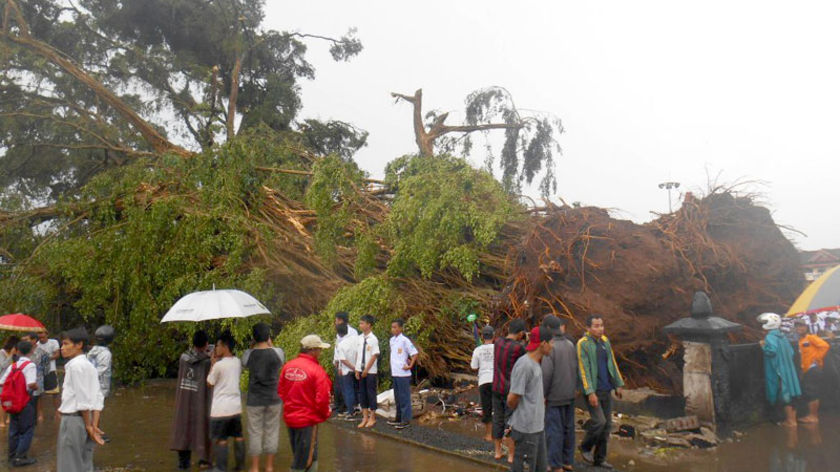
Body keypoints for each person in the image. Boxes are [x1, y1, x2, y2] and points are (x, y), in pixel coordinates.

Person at [277, 335, 332, 472]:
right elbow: (323, 398)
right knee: (301, 462)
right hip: (307, 421)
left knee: (306, 455)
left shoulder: (288, 366)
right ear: (313, 350)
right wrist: (323, 415)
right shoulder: (317, 371)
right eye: (319, 349)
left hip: (290, 418)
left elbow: (281, 391)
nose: (320, 352)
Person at [577, 314, 624, 469]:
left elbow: (612, 363)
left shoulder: (605, 341)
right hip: (593, 391)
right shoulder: (583, 344)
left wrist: (618, 384)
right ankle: (585, 446)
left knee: (607, 425)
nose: (600, 328)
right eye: (596, 326)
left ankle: (600, 458)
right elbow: (583, 369)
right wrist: (590, 392)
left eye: (601, 325)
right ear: (588, 328)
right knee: (599, 421)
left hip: (606, 389)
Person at [56, 327, 106, 471]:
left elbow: (82, 400)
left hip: (73, 420)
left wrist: (89, 425)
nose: (62, 348)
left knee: (69, 465)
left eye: (66, 344)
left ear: (79, 345)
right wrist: (93, 424)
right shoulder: (89, 366)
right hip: (85, 419)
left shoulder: (75, 366)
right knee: (84, 463)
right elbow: (97, 397)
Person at [507, 326, 553, 472]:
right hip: (526, 428)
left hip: (537, 427)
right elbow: (512, 398)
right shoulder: (525, 365)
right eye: (551, 342)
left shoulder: (536, 364)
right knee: (524, 468)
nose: (552, 346)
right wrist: (522, 414)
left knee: (540, 467)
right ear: (543, 343)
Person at [241, 322, 285, 472]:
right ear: (268, 336)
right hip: (273, 399)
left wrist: (252, 345)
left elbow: (244, 363)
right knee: (272, 431)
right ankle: (269, 467)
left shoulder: (248, 354)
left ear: (253, 337)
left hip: (254, 400)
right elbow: (280, 359)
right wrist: (270, 344)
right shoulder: (277, 353)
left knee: (255, 432)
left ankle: (254, 467)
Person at [170, 330, 213, 470]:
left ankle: (183, 463)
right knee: (202, 427)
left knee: (183, 427)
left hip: (185, 398)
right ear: (206, 344)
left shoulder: (183, 358)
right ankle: (204, 459)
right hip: (200, 399)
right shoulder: (207, 362)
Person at [541, 316, 577, 472]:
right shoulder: (570, 345)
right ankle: (567, 461)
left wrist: (543, 394)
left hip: (554, 395)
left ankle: (555, 465)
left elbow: (546, 373)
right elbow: (575, 367)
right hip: (569, 394)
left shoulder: (551, 346)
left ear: (548, 328)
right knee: (568, 428)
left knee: (554, 430)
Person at [207, 331, 245, 472]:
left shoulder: (218, 366)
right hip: (235, 408)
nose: (215, 349)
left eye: (217, 346)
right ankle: (240, 466)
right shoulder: (237, 361)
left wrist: (212, 364)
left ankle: (221, 468)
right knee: (238, 436)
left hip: (220, 410)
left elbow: (210, 383)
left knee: (221, 439)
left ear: (224, 346)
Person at [492, 318, 527, 462]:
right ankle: (511, 456)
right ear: (520, 334)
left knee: (498, 419)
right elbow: (527, 359)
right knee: (511, 421)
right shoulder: (518, 348)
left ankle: (498, 452)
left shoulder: (497, 342)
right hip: (510, 390)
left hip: (496, 387)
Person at [758, 312, 801, 427]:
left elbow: (771, 351)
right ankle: (793, 420)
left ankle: (790, 422)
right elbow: (791, 352)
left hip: (778, 370)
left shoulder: (770, 336)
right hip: (788, 369)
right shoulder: (782, 336)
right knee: (791, 393)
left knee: (784, 394)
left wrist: (763, 345)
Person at [0, 340, 39, 467]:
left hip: (13, 402)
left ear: (17, 351)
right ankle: (20, 457)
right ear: (32, 350)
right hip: (25, 401)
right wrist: (36, 386)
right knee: (27, 429)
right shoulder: (30, 365)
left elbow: (2, 382)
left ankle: (11, 456)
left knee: (14, 429)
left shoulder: (13, 365)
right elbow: (31, 384)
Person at [794, 319, 830, 424]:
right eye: (797, 326)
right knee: (809, 392)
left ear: (807, 327)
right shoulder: (801, 340)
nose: (799, 328)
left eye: (802, 326)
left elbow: (825, 346)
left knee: (812, 392)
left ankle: (813, 416)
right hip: (807, 369)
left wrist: (817, 358)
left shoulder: (811, 337)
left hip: (813, 369)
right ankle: (812, 415)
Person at [388, 319, 418, 430]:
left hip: (403, 373)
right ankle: (398, 417)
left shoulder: (405, 340)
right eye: (392, 327)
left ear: (401, 328)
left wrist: (410, 365)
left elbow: (414, 353)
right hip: (395, 372)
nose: (393, 329)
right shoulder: (392, 340)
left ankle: (406, 420)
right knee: (397, 397)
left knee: (404, 397)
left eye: (396, 327)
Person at [88, 325, 114, 442]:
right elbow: (102, 369)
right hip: (100, 385)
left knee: (93, 408)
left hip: (91, 383)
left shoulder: (92, 350)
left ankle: (94, 430)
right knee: (97, 408)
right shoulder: (106, 354)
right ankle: (94, 432)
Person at [470, 325, 495, 442]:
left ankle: (489, 435)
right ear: (493, 336)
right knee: (499, 407)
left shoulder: (478, 350)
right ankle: (501, 435)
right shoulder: (498, 348)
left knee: (487, 408)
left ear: (482, 336)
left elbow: (474, 367)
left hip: (484, 381)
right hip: (497, 381)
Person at [354, 315, 380, 429]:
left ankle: (372, 417)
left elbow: (374, 355)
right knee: (362, 394)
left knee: (371, 393)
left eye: (362, 323)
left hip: (370, 371)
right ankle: (364, 417)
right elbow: (358, 354)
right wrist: (356, 368)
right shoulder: (359, 338)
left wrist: (366, 369)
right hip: (360, 369)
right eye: (360, 323)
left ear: (369, 324)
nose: (360, 325)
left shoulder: (373, 339)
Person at [20, 333, 49, 423]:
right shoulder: (24, 351)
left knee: (38, 396)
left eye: (27, 339)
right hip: (25, 376)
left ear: (34, 340)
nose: (25, 341)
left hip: (38, 376)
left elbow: (46, 366)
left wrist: (42, 375)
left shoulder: (42, 352)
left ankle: (40, 414)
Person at [333, 312, 357, 415]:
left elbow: (350, 349)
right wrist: (336, 361)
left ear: (343, 320)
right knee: (339, 386)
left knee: (347, 387)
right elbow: (337, 347)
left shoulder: (351, 332)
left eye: (338, 320)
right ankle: (339, 405)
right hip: (340, 362)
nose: (336, 322)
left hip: (348, 363)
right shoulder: (339, 332)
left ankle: (348, 407)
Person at [36, 331, 61, 414]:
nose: (41, 336)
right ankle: (40, 414)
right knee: (39, 394)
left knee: (55, 393)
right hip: (40, 372)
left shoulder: (53, 342)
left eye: (42, 334)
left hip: (51, 370)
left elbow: (57, 354)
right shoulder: (37, 345)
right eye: (39, 334)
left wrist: (46, 358)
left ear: (47, 334)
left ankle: (57, 412)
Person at [0, 336, 20, 428]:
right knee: (2, 401)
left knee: (10, 400)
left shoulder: (16, 355)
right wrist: (11, 355)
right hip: (2, 380)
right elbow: (3, 365)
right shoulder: (2, 352)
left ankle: (8, 419)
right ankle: (2, 422)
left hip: (12, 379)